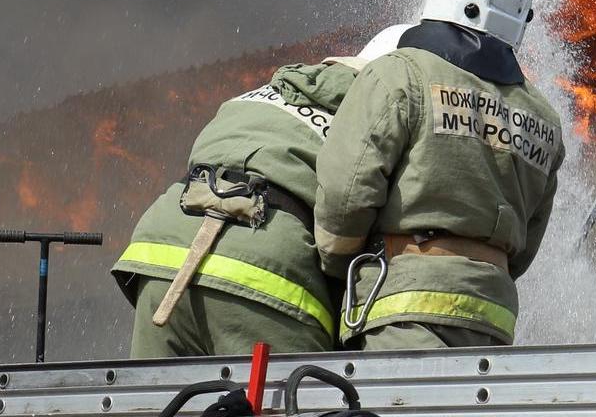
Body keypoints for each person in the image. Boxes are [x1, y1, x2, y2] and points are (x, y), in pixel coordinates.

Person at [314, 0, 565, 350]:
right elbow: (526, 243)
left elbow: (345, 196)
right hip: (492, 321)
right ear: (521, 19)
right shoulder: (545, 119)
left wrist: (340, 269)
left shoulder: (397, 75)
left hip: (402, 311)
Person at [110, 25, 411, 357]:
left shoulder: (262, 93)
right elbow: (356, 219)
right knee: (295, 404)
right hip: (265, 273)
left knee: (158, 404)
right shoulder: (384, 114)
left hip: (161, 254)